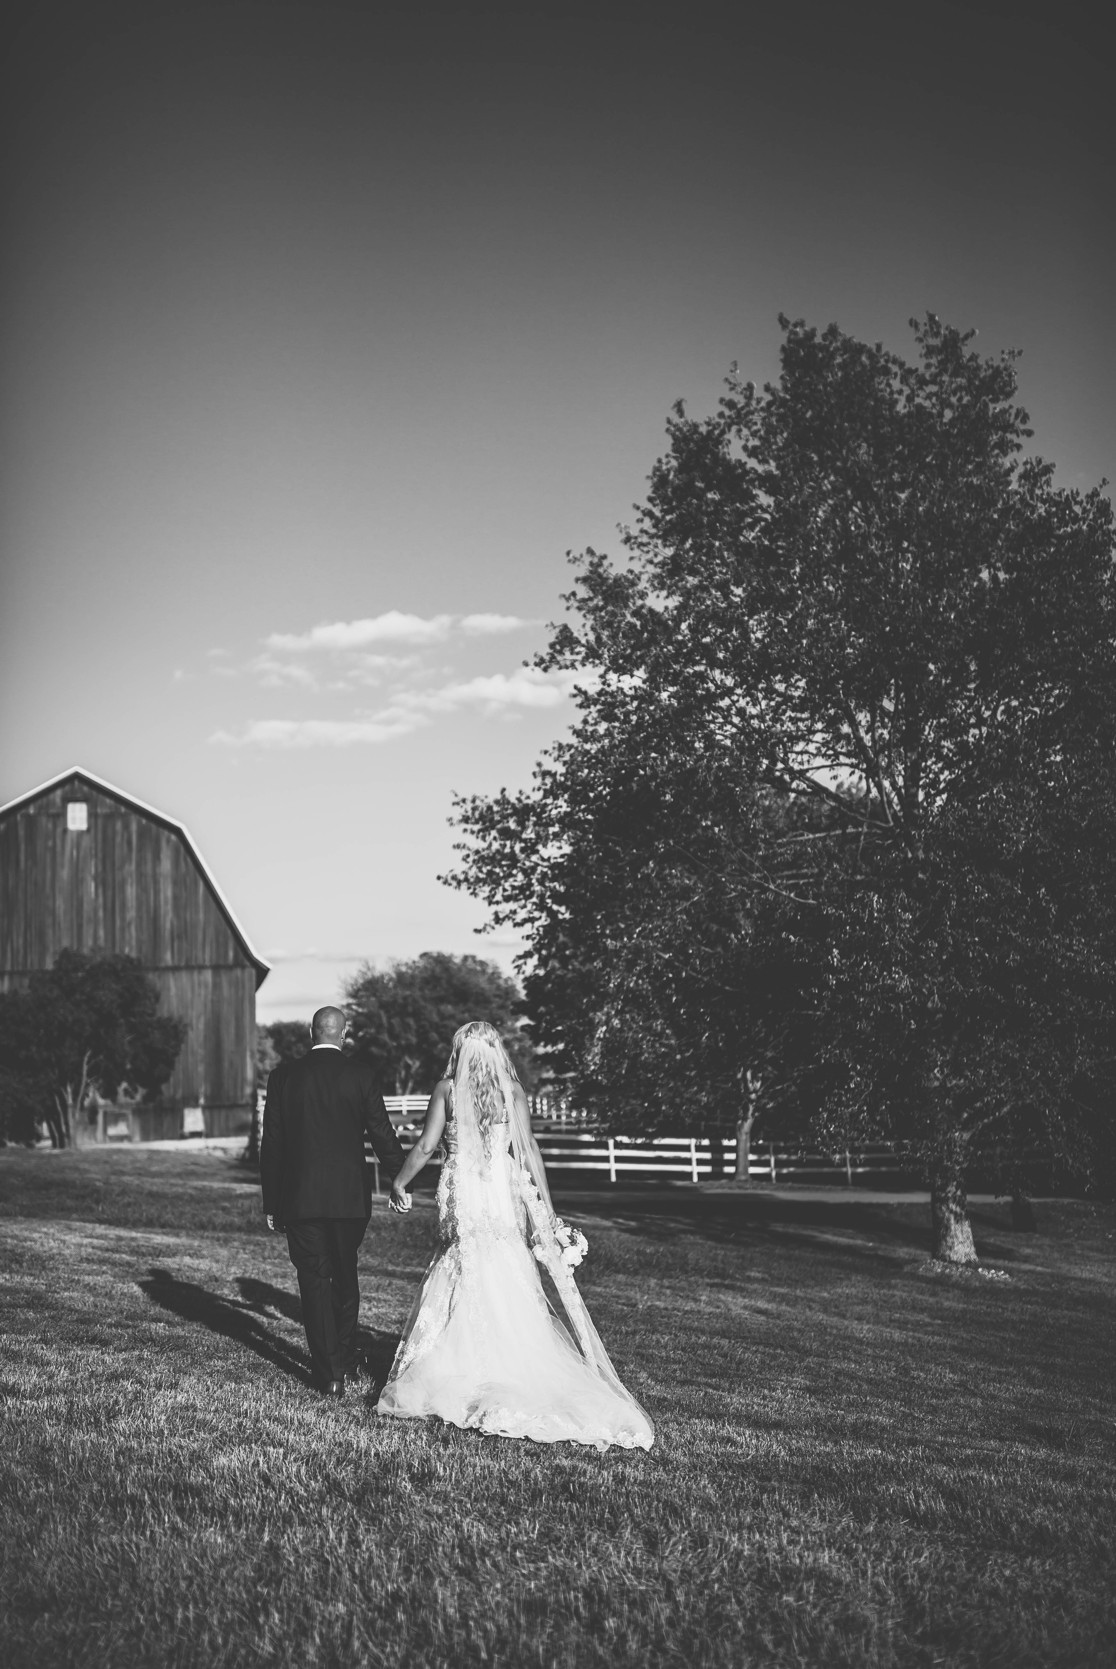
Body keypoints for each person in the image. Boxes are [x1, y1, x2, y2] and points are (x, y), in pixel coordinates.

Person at [376, 1021, 653, 1449]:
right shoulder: (513, 1091)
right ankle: (508, 1355)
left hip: (465, 1185)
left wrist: (399, 1183)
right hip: (500, 1187)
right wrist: (547, 1208)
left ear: (461, 1052)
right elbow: (529, 1150)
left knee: (464, 1263)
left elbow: (427, 1146)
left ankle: (466, 1363)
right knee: (504, 1260)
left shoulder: (448, 1089)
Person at [260, 1005, 406, 1397]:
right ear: (344, 1033)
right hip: (349, 1198)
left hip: (300, 1197)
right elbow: (382, 1132)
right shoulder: (360, 1075)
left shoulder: (284, 1077)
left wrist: (271, 1201)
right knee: (345, 1275)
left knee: (313, 1281)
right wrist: (402, 1178)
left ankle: (330, 1375)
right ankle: (343, 1356)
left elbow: (272, 1143)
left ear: (312, 1032)